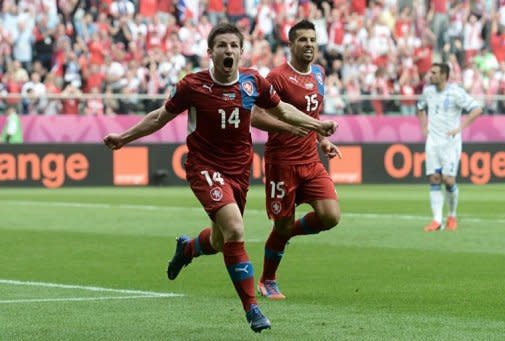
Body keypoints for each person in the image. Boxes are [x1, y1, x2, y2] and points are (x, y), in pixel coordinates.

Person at [103, 23, 338, 333]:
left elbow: (282, 110)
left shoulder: (253, 82)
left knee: (218, 239)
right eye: (222, 46)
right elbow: (160, 117)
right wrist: (125, 137)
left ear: (241, 51)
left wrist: (316, 126)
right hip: (204, 166)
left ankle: (187, 249)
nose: (228, 51)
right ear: (210, 53)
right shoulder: (192, 85)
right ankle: (252, 308)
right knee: (236, 230)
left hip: (239, 170)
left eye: (233, 46)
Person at [251, 20, 341, 300]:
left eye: (312, 39)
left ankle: (287, 233)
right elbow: (254, 116)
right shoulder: (276, 77)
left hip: (311, 160)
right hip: (282, 163)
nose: (309, 44)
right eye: (302, 40)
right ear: (290, 45)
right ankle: (267, 280)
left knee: (330, 216)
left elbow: (311, 119)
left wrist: (322, 140)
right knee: (281, 225)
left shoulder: (319, 74)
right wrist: (289, 128)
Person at [417, 63, 482, 232]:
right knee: (434, 178)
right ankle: (437, 220)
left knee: (448, 179)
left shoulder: (456, 92)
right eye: (431, 72)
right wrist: (424, 127)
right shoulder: (428, 92)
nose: (430, 75)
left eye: (434, 72)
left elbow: (477, 109)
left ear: (444, 75)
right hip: (433, 141)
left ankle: (452, 216)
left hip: (450, 142)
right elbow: (420, 107)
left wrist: (461, 127)